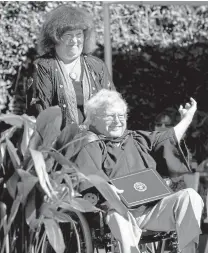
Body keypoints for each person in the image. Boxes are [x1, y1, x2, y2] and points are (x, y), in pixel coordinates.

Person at [66, 89, 204, 253]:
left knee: (190, 196)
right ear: (94, 119)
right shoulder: (90, 145)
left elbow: (169, 137)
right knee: (116, 213)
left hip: (153, 210)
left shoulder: (138, 138)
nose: (117, 121)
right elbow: (89, 175)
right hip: (119, 213)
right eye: (110, 116)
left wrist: (187, 117)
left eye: (121, 115)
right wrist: (107, 188)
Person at [27, 5, 115, 128]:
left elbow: (113, 105)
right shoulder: (43, 66)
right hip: (59, 143)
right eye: (68, 35)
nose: (74, 40)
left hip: (97, 140)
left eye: (78, 34)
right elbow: (41, 114)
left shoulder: (97, 65)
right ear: (54, 37)